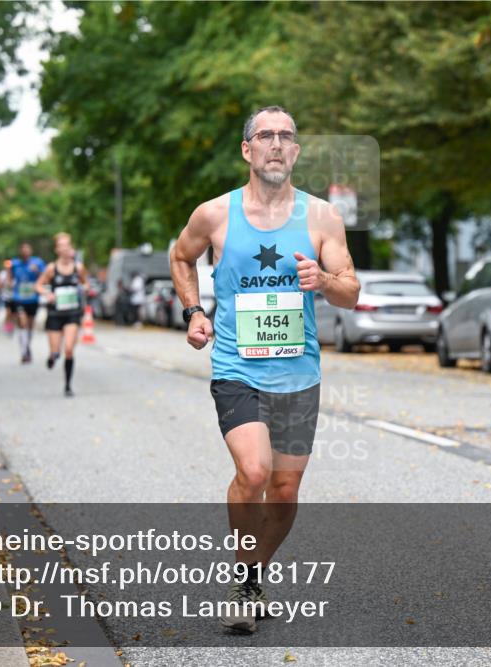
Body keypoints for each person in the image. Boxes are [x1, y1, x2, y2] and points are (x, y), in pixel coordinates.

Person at [169, 105, 359, 634]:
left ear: (295, 151)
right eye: (265, 135)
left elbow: (351, 293)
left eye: (286, 136)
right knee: (253, 473)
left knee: (284, 490)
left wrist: (322, 280)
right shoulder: (215, 214)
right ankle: (244, 585)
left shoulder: (321, 217)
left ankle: (249, 575)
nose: (276, 144)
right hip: (237, 368)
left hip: (300, 375)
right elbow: (180, 257)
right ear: (247, 150)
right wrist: (194, 311)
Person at [36, 233, 88, 397]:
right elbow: (38, 285)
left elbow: (85, 283)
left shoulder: (78, 267)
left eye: (67, 245)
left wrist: (83, 289)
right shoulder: (52, 268)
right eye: (61, 245)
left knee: (69, 349)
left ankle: (67, 385)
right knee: (56, 351)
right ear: (57, 249)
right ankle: (52, 357)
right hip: (55, 314)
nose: (65, 248)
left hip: (72, 312)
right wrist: (47, 294)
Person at [9, 242, 46, 364]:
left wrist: (37, 272)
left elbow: (45, 277)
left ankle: (27, 347)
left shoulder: (38, 263)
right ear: (20, 251)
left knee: (30, 325)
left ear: (31, 250)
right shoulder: (14, 264)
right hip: (19, 297)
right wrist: (9, 284)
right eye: (23, 249)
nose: (25, 251)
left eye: (27, 248)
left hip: (33, 298)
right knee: (22, 323)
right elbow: (10, 278)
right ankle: (24, 351)